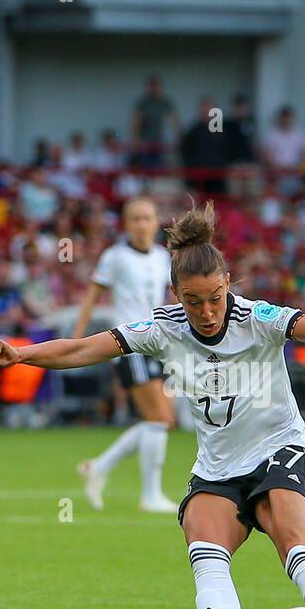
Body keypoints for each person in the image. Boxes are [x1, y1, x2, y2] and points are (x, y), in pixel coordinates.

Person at [0, 201, 305, 609]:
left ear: (229, 283)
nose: (207, 311)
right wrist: (23, 353)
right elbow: (84, 348)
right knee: (205, 551)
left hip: (278, 450)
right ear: (177, 294)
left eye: (215, 298)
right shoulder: (162, 328)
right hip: (218, 465)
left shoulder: (258, 318)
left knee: (298, 548)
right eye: (194, 301)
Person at [70, 197, 176, 513]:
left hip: (159, 343)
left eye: (147, 218)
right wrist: (77, 336)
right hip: (131, 343)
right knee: (158, 419)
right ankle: (150, 495)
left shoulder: (162, 257)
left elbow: (167, 298)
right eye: (135, 219)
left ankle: (98, 467)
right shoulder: (115, 257)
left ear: (157, 222)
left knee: (162, 420)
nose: (141, 224)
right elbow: (92, 294)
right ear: (126, 224)